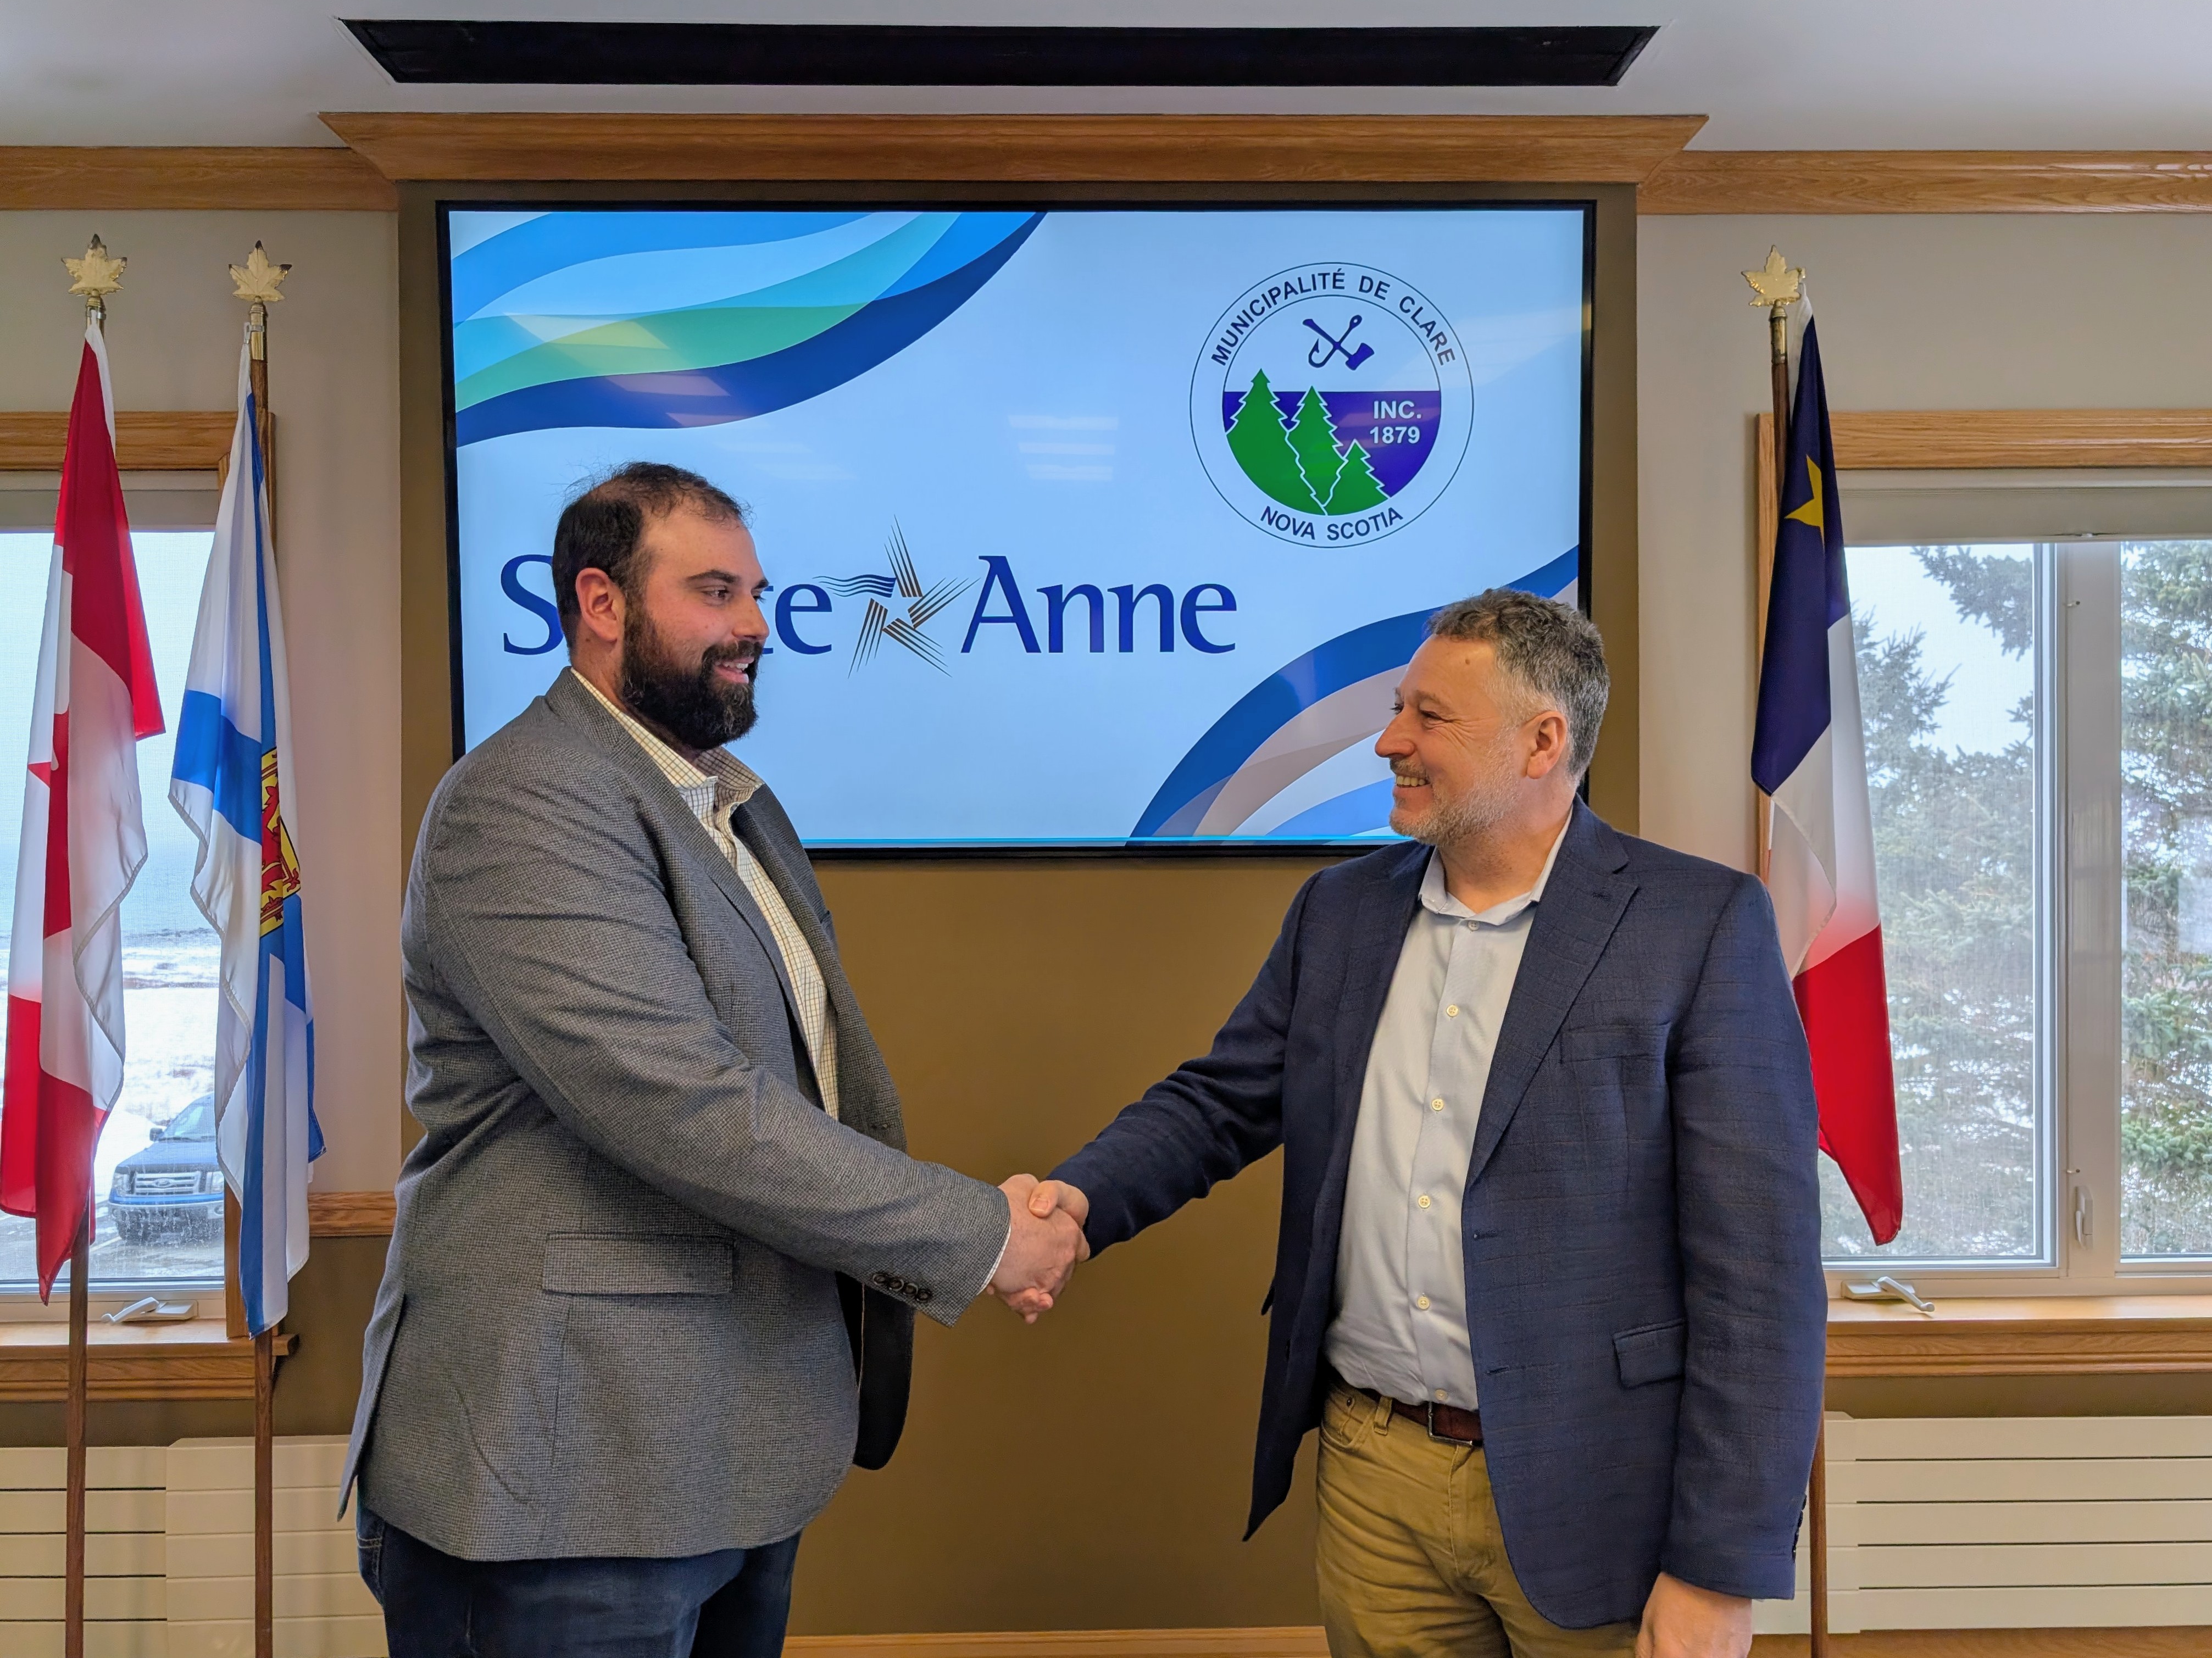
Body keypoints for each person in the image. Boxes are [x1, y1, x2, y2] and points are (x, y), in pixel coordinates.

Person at [343, 462, 1083, 1657]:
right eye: (715, 591)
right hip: (568, 1478)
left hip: (723, 1454)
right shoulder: (522, 803)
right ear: (602, 601)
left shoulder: (725, 801)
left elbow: (802, 1082)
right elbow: (688, 1106)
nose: (755, 624)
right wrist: (983, 1233)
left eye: (757, 591)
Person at [1015, 589, 1826, 1658]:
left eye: (1429, 717)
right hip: (1375, 1477)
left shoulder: (1698, 924)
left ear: (1545, 740)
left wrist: (1720, 1569)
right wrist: (1076, 1201)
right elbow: (1222, 1100)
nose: (1389, 741)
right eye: (1398, 708)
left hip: (1597, 1487)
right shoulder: (1339, 910)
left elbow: (1759, 1278)